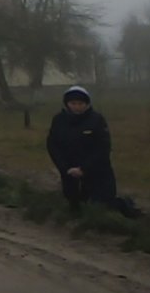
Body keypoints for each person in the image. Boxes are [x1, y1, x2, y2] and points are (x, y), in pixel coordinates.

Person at [47, 86, 128, 214]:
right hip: (69, 172)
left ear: (86, 104)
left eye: (81, 103)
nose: (77, 107)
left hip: (96, 172)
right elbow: (53, 145)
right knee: (74, 204)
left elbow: (103, 148)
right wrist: (64, 167)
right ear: (67, 104)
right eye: (73, 103)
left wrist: (84, 168)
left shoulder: (96, 120)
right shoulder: (59, 120)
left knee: (102, 206)